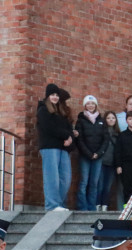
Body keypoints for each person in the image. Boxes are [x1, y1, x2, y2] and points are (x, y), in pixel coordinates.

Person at [37, 83, 75, 211]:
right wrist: (66, 136)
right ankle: (52, 205)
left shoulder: (61, 111)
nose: (55, 97)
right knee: (51, 177)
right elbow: (49, 128)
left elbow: (69, 128)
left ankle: (59, 204)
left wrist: (70, 138)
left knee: (65, 178)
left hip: (63, 148)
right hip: (49, 147)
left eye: (57, 95)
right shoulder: (43, 110)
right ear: (48, 96)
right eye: (52, 95)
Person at [75, 95, 110, 210]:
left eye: (92, 103)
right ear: (85, 105)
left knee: (94, 184)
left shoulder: (101, 121)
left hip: (98, 157)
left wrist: (98, 153)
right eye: (88, 103)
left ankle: (91, 208)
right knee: (84, 182)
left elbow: (106, 139)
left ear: (96, 105)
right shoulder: (80, 120)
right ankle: (82, 207)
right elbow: (79, 140)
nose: (90, 105)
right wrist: (89, 154)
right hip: (85, 156)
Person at [99, 111, 121, 210]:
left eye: (113, 118)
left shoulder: (118, 134)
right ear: (105, 120)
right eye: (108, 118)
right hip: (101, 162)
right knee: (99, 185)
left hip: (112, 164)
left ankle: (105, 206)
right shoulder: (102, 131)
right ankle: (97, 205)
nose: (111, 120)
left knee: (108, 186)